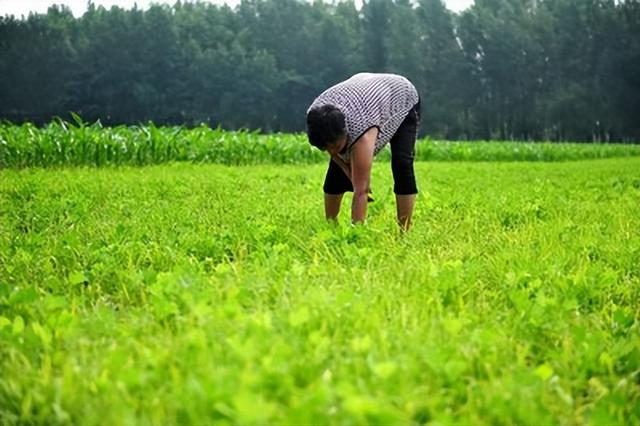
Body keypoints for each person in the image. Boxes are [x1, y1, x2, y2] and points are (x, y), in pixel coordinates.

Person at [306, 72, 421, 230]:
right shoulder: (316, 116)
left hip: (401, 96)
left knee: (402, 163)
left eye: (333, 145)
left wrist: (357, 232)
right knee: (336, 168)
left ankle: (404, 230)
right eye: (326, 147)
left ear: (345, 131)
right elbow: (334, 152)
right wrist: (346, 168)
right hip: (363, 93)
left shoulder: (362, 130)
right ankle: (331, 226)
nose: (331, 151)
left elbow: (362, 190)